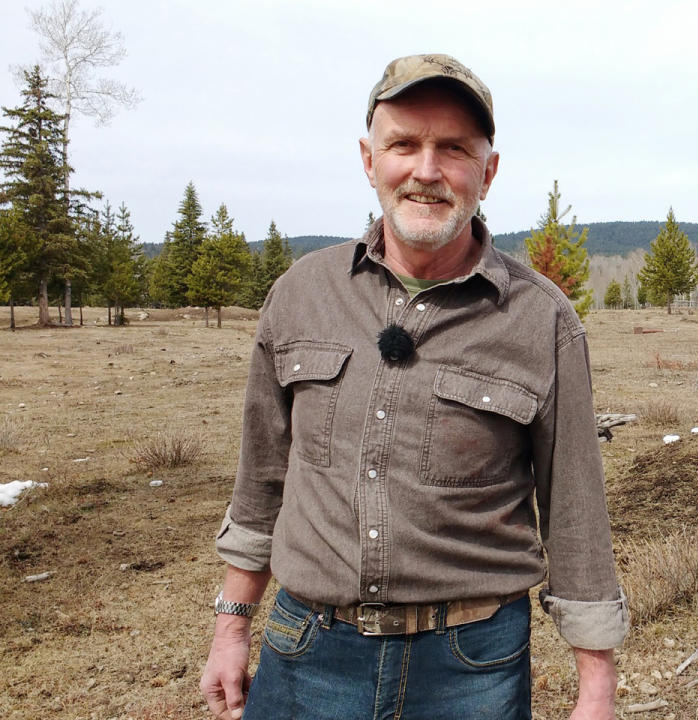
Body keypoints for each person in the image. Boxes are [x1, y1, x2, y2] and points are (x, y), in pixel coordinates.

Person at [200, 53, 628, 720]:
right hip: (307, 650)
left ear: (486, 172)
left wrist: (595, 687)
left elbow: (575, 511)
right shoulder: (301, 295)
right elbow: (261, 481)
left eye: (453, 149)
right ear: (370, 160)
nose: (426, 171)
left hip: (471, 669)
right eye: (404, 144)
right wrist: (232, 624)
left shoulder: (542, 320)